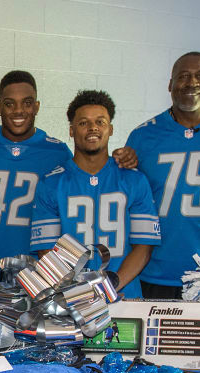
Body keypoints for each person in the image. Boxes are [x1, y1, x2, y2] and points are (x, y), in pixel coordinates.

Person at [123, 52, 200, 299]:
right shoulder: (142, 136)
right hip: (154, 269)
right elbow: (128, 199)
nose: (192, 83)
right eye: (183, 76)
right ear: (170, 85)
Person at [29, 90, 161, 292]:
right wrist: (77, 293)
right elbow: (46, 250)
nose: (93, 128)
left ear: (111, 129)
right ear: (72, 130)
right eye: (83, 123)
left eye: (100, 122)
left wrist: (111, 286)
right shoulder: (51, 183)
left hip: (123, 293)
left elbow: (144, 247)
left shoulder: (134, 179)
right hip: (71, 298)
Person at [0, 71, 73, 284]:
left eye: (26, 103)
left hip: (41, 276)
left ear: (36, 106)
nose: (19, 110)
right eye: (10, 104)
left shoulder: (59, 153)